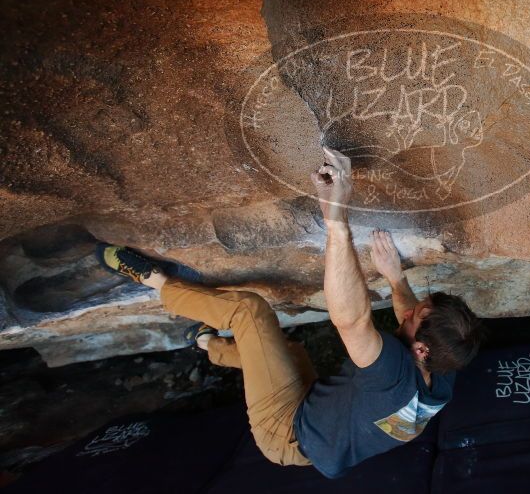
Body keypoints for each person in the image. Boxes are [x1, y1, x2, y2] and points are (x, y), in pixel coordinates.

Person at [97, 146, 485, 478]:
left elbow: (351, 319)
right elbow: (412, 319)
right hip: (318, 417)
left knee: (250, 313)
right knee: (292, 353)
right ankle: (208, 345)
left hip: (285, 432)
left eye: (417, 314)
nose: (410, 308)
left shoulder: (391, 374)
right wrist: (396, 280)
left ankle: (155, 282)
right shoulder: (443, 375)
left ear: (420, 351)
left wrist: (337, 223)